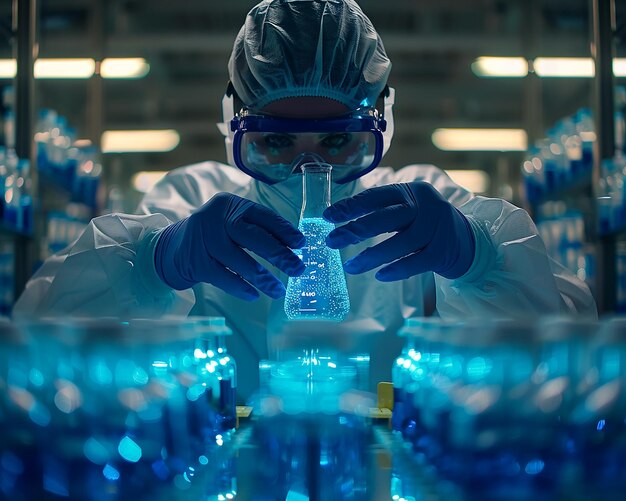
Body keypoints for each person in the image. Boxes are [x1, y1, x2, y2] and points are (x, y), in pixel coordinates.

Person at [14, 0, 596, 399]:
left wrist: (479, 255)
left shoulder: (425, 206)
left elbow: (575, 344)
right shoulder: (187, 203)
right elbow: (35, 339)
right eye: (277, 142)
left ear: (381, 129)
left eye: (339, 140)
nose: (308, 169)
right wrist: (155, 260)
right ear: (234, 129)